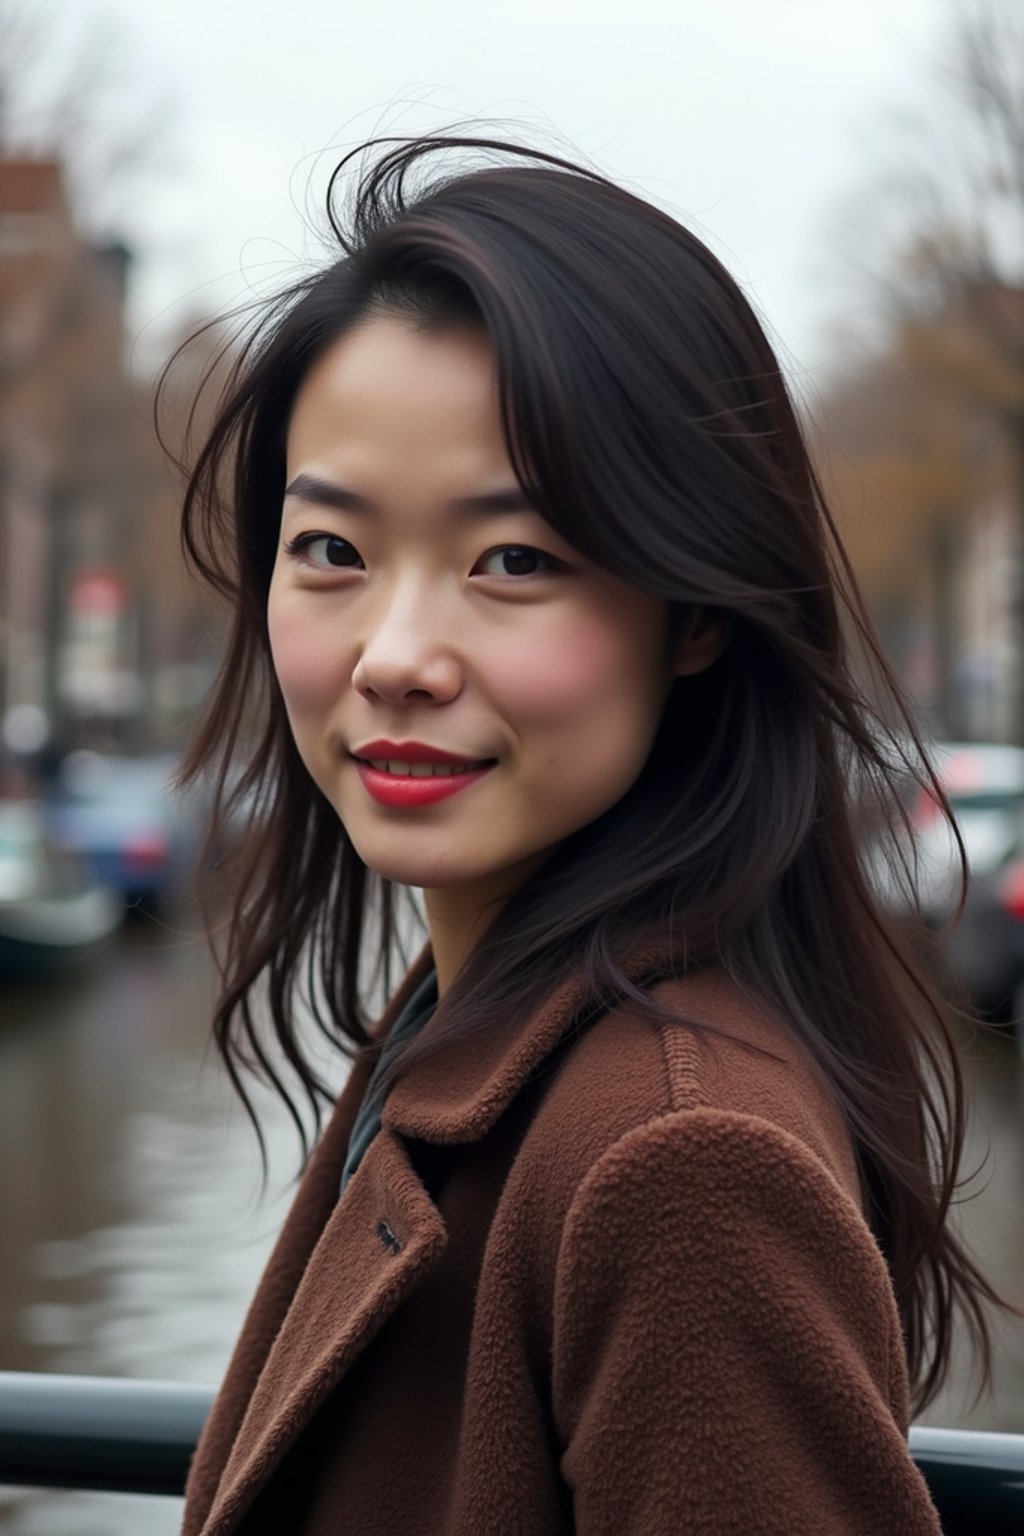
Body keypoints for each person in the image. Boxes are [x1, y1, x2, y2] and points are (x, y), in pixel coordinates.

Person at [163, 132, 1005, 1535]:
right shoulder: (481, 1024)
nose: (397, 654)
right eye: (332, 551)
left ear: (695, 616)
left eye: (514, 561)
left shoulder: (679, 1160)